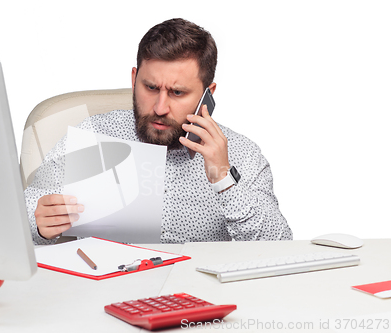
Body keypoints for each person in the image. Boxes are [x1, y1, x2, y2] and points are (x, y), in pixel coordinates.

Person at [25, 18, 293, 245]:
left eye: (177, 92)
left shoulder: (242, 153)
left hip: (199, 295)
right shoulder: (95, 134)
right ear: (134, 79)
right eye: (151, 87)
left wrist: (224, 179)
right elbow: (23, 208)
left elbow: (278, 246)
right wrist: (36, 220)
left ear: (206, 95)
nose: (160, 107)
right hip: (107, 295)